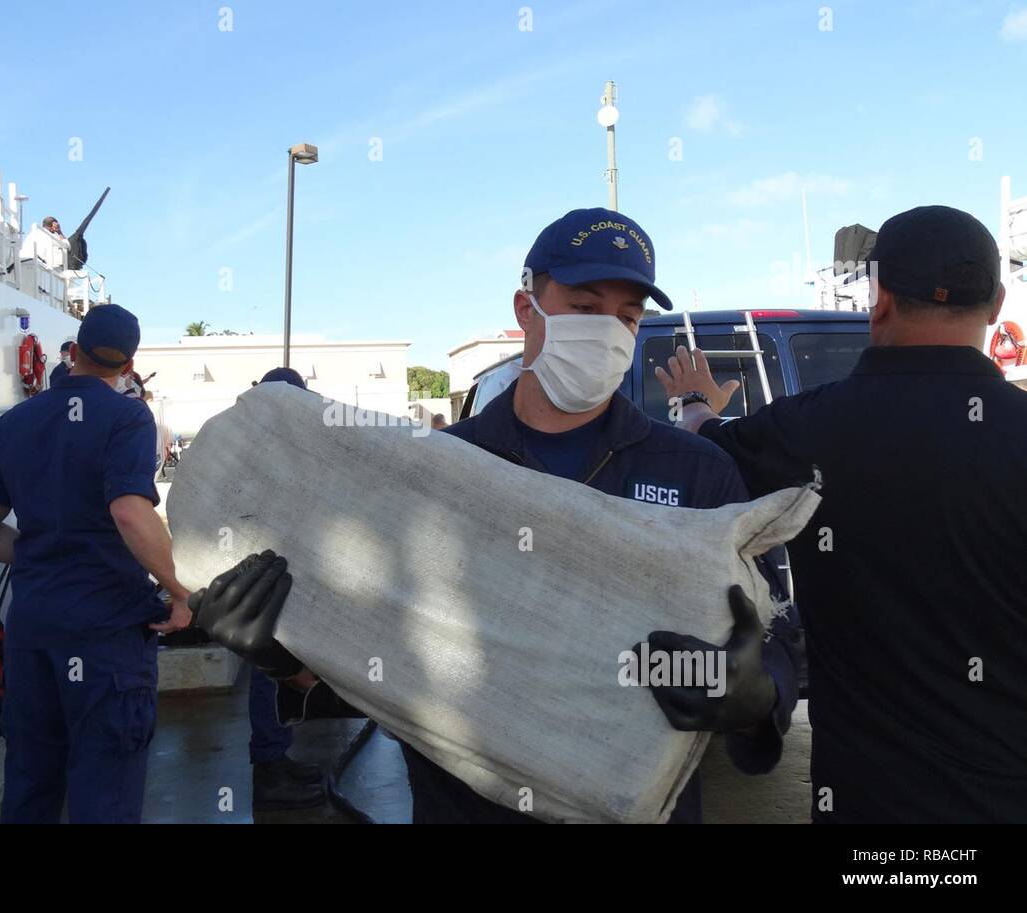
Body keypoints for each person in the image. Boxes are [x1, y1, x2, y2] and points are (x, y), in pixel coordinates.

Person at [192, 209, 802, 823]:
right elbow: (384, 657)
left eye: (626, 317)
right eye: (585, 308)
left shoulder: (696, 471)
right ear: (525, 308)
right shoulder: (437, 470)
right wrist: (285, 657)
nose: (608, 332)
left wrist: (758, 694)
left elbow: (769, 630)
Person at [656, 204, 1027, 823]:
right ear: (995, 304)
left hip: (868, 807)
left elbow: (705, 443)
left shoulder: (806, 433)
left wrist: (696, 402)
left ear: (879, 300)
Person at [0, 304, 195, 824]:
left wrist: (47, 551)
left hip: (33, 627)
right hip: (105, 628)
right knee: (105, 782)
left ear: (74, 352)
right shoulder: (128, 416)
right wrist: (178, 591)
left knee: (31, 775)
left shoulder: (12, 423)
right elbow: (130, 512)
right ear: (128, 365)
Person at [246, 367, 324, 810]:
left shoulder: (271, 441)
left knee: (278, 673)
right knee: (269, 672)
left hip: (277, 575)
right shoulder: (266, 447)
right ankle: (268, 771)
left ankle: (277, 755)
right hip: (266, 579)